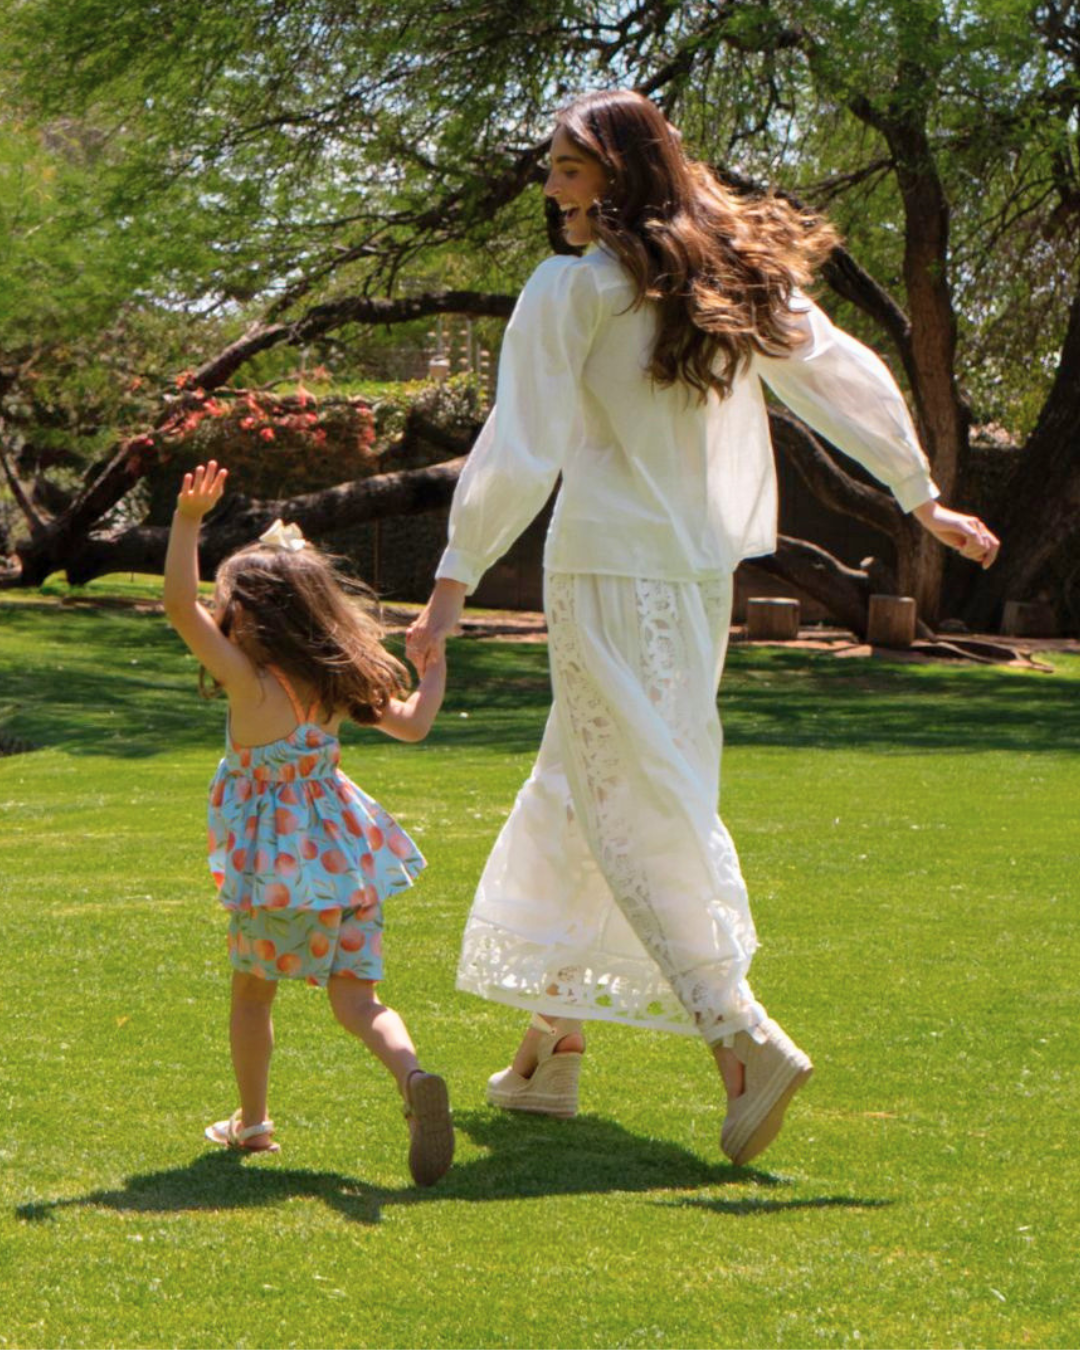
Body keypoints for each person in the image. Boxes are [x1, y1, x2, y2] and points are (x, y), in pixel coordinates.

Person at [407, 89, 999, 1168]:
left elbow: (520, 445)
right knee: (585, 781)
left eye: (571, 170)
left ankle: (739, 1038)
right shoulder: (720, 282)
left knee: (628, 792)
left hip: (603, 568)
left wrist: (452, 581)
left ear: (623, 177)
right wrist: (918, 492)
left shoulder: (573, 290)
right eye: (554, 167)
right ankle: (553, 1046)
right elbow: (841, 372)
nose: (551, 188)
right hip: (690, 581)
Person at [163, 462, 454, 1186]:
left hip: (282, 877)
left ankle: (253, 1124)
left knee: (252, 992)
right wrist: (433, 666)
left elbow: (176, 606)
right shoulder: (336, 680)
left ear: (252, 614)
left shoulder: (250, 681)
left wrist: (188, 521)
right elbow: (415, 725)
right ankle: (412, 1076)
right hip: (353, 864)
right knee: (358, 999)